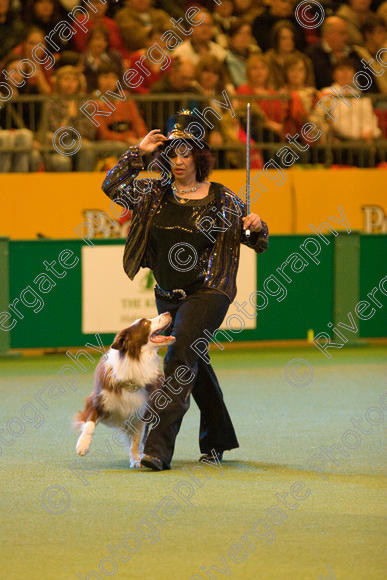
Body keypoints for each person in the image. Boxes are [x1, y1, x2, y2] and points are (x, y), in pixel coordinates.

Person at [101, 111, 269, 470]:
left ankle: (156, 450)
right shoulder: (153, 193)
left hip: (211, 289)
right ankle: (218, 438)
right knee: (195, 362)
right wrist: (139, 153)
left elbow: (257, 241)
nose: (178, 160)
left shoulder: (223, 198)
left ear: (199, 157)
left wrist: (256, 225)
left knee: (179, 358)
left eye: (186, 153)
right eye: (172, 153)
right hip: (168, 293)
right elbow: (111, 186)